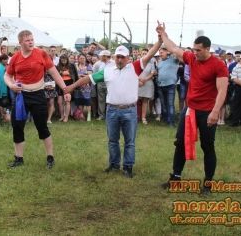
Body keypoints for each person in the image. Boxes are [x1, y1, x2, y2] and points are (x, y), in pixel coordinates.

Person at [66, 42, 162, 178]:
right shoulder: (107, 70)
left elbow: (150, 53)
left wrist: (160, 40)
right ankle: (114, 164)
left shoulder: (135, 67)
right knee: (112, 140)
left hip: (129, 110)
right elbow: (89, 78)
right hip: (112, 110)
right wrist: (72, 86)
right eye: (118, 57)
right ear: (114, 57)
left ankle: (128, 167)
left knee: (130, 141)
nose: (120, 59)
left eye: (123, 57)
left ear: (128, 58)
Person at [156, 22, 228, 193]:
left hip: (208, 112)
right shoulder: (191, 58)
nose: (194, 53)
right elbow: (173, 48)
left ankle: (208, 184)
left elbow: (222, 90)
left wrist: (215, 112)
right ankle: (175, 178)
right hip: (190, 110)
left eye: (198, 50)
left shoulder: (218, 65)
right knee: (180, 143)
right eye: (194, 49)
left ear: (207, 49)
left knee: (207, 146)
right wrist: (163, 34)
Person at [4, 30, 71, 169]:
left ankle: (50, 157)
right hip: (21, 97)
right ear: (20, 42)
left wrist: (65, 89)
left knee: (42, 126)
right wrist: (11, 85)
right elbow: (7, 76)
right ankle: (18, 158)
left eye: (32, 39)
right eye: (27, 40)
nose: (31, 42)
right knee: (17, 126)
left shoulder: (41, 53)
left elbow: (54, 73)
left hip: (38, 95)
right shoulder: (15, 58)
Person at [56, 54, 78, 122]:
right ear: (60, 60)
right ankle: (62, 116)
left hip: (69, 83)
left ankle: (66, 117)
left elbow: (75, 75)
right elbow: (56, 75)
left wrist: (75, 85)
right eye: (62, 60)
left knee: (67, 101)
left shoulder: (71, 65)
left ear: (67, 60)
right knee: (59, 102)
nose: (64, 61)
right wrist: (62, 73)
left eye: (65, 60)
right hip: (60, 84)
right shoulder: (58, 66)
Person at [93, 50, 112, 120]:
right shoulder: (97, 64)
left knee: (110, 100)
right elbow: (94, 73)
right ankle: (101, 115)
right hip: (100, 83)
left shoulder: (112, 63)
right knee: (101, 99)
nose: (103, 57)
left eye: (104, 56)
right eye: (102, 56)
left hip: (109, 83)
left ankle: (109, 115)